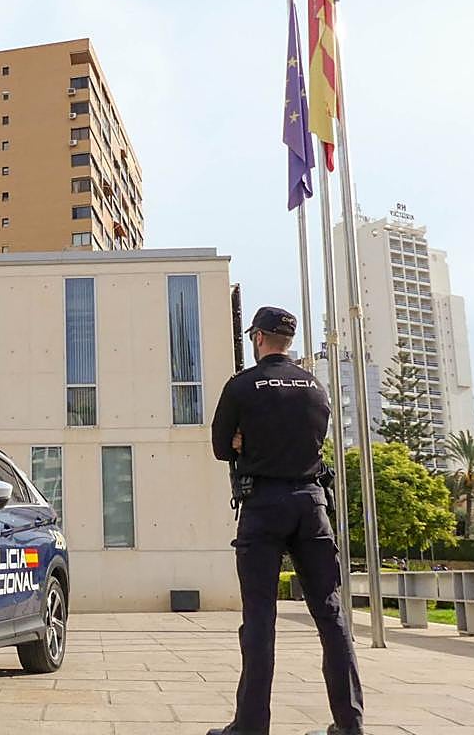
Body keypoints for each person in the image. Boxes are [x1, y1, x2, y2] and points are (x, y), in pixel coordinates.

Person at [207, 306, 364, 735]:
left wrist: (244, 440)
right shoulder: (317, 388)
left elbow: (222, 446)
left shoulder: (242, 386)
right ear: (288, 340)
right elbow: (312, 440)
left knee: (259, 620)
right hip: (312, 506)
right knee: (331, 616)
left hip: (263, 506)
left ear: (257, 338)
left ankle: (251, 726)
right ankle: (350, 725)